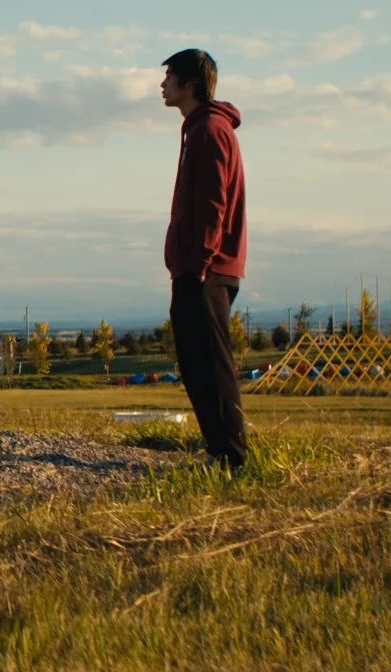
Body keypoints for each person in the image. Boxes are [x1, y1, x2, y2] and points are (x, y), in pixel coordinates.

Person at [160, 49, 249, 470]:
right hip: (196, 266)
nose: (163, 85)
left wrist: (199, 261)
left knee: (212, 363)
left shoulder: (210, 130)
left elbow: (214, 203)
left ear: (189, 84)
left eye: (169, 77)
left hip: (207, 269)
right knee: (194, 361)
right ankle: (216, 447)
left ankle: (231, 454)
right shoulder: (197, 129)